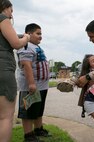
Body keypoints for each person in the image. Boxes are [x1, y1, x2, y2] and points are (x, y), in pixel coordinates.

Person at [0, 0, 30, 141]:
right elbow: (16, 44)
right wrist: (26, 38)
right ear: (5, 8)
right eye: (11, 11)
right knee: (5, 117)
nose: (11, 16)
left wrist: (18, 35)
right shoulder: (2, 18)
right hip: (3, 71)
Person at [17, 23, 51, 142]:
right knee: (28, 111)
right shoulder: (26, 46)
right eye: (38, 33)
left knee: (38, 110)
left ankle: (38, 129)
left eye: (41, 33)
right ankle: (29, 135)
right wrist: (31, 83)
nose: (40, 36)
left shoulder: (36, 46)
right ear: (29, 34)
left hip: (42, 86)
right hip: (31, 86)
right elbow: (26, 65)